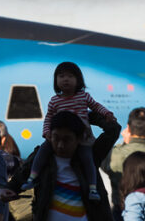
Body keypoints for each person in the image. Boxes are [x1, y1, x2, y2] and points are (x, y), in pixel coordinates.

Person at [22, 62, 115, 200]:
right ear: (56, 81)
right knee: (42, 151)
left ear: (78, 80)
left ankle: (93, 188)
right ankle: (32, 177)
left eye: (70, 76)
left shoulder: (84, 97)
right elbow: (48, 118)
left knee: (88, 160)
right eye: (61, 76)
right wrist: (46, 132)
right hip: (58, 136)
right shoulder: (54, 101)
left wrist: (106, 114)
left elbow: (96, 106)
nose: (65, 79)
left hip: (81, 137)